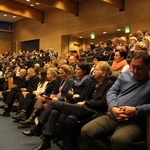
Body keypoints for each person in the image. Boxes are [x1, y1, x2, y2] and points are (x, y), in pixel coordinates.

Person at [81, 50, 150, 150]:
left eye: (139, 68)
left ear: (149, 66)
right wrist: (113, 107)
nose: (135, 71)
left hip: (134, 121)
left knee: (118, 140)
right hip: (114, 115)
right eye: (133, 67)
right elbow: (111, 92)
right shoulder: (124, 76)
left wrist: (136, 110)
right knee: (86, 131)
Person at [22, 62, 94, 150]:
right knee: (53, 112)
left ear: (84, 71)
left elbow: (81, 97)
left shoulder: (87, 81)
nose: (75, 70)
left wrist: (72, 96)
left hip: (78, 106)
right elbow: (69, 95)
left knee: (52, 104)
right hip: (71, 104)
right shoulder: (77, 80)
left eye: (78, 69)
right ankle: (46, 140)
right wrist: (72, 96)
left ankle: (38, 127)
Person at [58, 61, 114, 150]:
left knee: (70, 120)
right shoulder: (94, 84)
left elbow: (103, 103)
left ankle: (72, 147)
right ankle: (66, 144)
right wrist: (84, 102)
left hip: (97, 111)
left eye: (96, 70)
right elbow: (86, 98)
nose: (94, 71)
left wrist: (85, 103)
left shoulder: (109, 84)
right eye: (94, 69)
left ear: (103, 73)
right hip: (87, 108)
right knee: (62, 117)